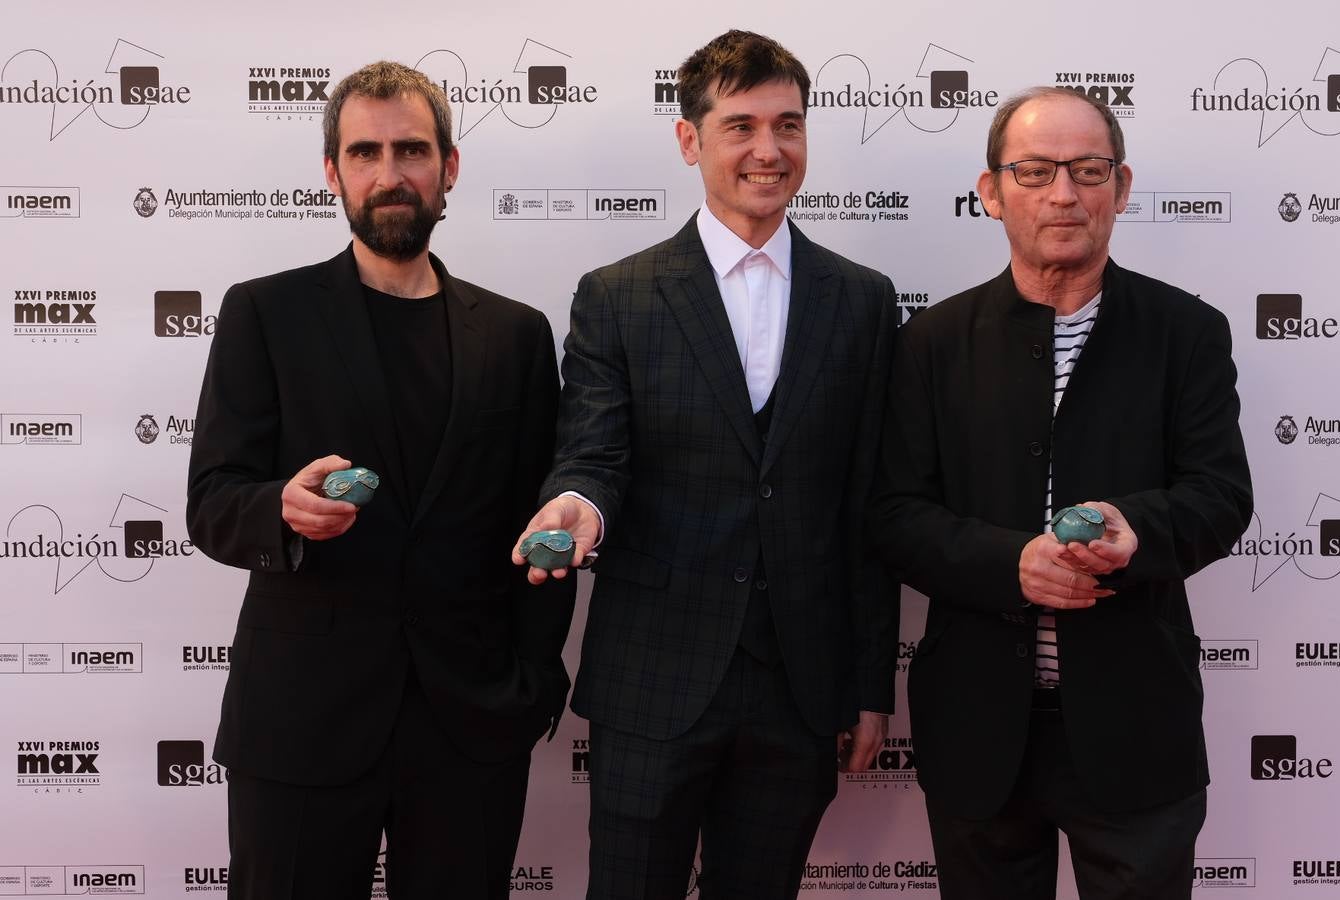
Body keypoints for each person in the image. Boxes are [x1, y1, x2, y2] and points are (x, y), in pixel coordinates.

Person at [512, 29, 899, 900]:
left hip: (802, 685)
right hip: (654, 677)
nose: (770, 149)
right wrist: (577, 505)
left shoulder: (864, 300)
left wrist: (871, 684)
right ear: (690, 141)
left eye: (788, 125)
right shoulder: (618, 295)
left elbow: (866, 506)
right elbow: (594, 453)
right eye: (741, 126)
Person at [187, 61, 574, 900]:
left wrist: (535, 681)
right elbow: (212, 499)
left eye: (412, 150)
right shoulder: (266, 313)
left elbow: (542, 521)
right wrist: (281, 509)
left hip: (471, 724)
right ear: (333, 171)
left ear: (449, 167)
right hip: (302, 720)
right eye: (365, 152)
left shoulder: (516, 335)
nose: (389, 173)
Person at [869, 86, 1252, 899]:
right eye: (1036, 171)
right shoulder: (932, 342)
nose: (1064, 194)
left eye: (1088, 169)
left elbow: (1221, 497)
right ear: (991, 191)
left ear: (1122, 185)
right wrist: (1012, 563)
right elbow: (894, 516)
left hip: (1137, 725)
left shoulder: (1187, 332)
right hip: (977, 727)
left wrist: (1135, 528)